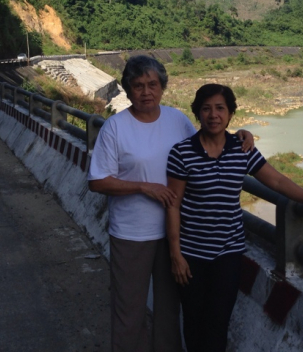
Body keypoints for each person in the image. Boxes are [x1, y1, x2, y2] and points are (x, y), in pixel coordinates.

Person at [166, 83, 303, 352]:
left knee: (218, 324)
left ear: (230, 114)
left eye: (220, 108)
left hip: (228, 254)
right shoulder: (181, 153)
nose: (213, 115)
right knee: (194, 321)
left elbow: (275, 180)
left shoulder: (242, 149)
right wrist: (175, 254)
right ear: (197, 113)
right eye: (206, 109)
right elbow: (173, 205)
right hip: (191, 254)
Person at [88, 57, 255, 352]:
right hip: (132, 234)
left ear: (163, 88)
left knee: (169, 311)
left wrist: (241, 135)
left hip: (176, 237)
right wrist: (142, 186)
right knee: (129, 311)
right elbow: (97, 181)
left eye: (152, 85)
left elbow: (208, 140)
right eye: (137, 86)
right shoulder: (115, 128)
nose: (146, 92)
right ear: (127, 90)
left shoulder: (176, 120)